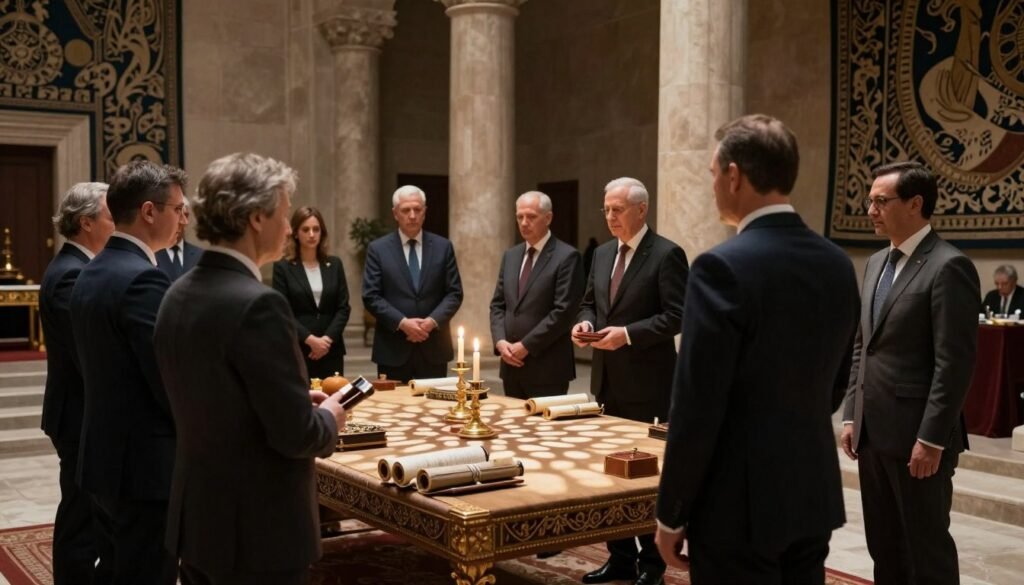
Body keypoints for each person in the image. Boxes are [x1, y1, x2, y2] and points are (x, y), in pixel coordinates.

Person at [654, 115, 861, 584]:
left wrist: (672, 512)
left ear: (734, 175)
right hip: (812, 490)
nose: (711, 186)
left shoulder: (721, 267)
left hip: (738, 504)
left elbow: (696, 405)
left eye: (712, 173)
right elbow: (835, 383)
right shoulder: (837, 264)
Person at [154, 152, 347, 585]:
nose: (287, 227)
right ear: (257, 218)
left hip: (199, 518)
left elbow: (221, 400)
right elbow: (297, 435)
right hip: (258, 531)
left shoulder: (176, 292)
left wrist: (296, 403)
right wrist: (328, 418)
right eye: (282, 214)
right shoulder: (259, 304)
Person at [841, 161, 979, 585]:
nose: (871, 210)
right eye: (870, 201)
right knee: (884, 545)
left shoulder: (948, 266)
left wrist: (932, 438)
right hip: (873, 432)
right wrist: (851, 414)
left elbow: (953, 363)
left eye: (881, 201)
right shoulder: (876, 261)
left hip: (919, 438)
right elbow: (863, 345)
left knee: (926, 548)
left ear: (916, 204)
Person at [70, 160, 187, 585]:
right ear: (149, 211)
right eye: (177, 208)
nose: (182, 219)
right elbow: (166, 380)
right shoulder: (141, 280)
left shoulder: (92, 270)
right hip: (144, 468)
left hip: (103, 457)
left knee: (117, 571)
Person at [571, 177, 688, 585]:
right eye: (606, 209)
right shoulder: (602, 254)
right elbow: (590, 301)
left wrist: (628, 334)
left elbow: (677, 315)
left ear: (642, 210)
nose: (610, 216)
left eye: (617, 209)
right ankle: (619, 558)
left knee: (642, 479)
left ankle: (652, 566)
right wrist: (585, 321)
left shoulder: (667, 254)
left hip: (649, 383)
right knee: (610, 476)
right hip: (606, 381)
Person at [39, 182, 115, 584]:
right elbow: (89, 354)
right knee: (80, 518)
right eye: (109, 215)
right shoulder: (71, 274)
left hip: (82, 411)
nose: (117, 223)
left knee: (92, 512)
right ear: (86, 222)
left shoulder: (79, 268)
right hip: (78, 414)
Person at [362, 185, 463, 382]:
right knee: (394, 411)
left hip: (433, 347)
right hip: (393, 349)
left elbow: (454, 293)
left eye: (417, 209)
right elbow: (371, 296)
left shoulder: (443, 247)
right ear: (395, 213)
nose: (412, 215)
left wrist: (431, 322)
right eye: (406, 210)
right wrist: (403, 323)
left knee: (433, 409)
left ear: (424, 212)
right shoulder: (378, 249)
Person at [489, 191, 584, 399]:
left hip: (548, 369)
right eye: (519, 217)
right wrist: (500, 342)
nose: (524, 222)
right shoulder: (511, 255)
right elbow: (498, 305)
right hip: (511, 365)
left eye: (531, 216)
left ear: (548, 218)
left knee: (544, 432)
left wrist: (525, 346)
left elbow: (563, 312)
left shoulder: (567, 257)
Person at [273, 206, 351, 380]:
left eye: (316, 229)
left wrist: (327, 340)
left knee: (333, 401)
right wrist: (310, 340)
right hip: (300, 349)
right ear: (295, 233)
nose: (311, 234)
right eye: (305, 229)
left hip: (331, 349)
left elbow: (343, 308)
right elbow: (282, 311)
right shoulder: (283, 267)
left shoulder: (334, 264)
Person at [155, 201, 201, 281]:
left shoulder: (201, 255)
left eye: (185, 215)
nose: (182, 221)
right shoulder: (152, 254)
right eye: (176, 215)